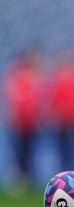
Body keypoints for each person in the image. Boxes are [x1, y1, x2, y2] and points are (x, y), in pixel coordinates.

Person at [2, 48, 46, 191]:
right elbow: (16, 101)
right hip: (20, 124)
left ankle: (27, 181)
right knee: (19, 154)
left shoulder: (36, 77)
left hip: (32, 124)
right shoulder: (18, 76)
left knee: (29, 153)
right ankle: (19, 181)